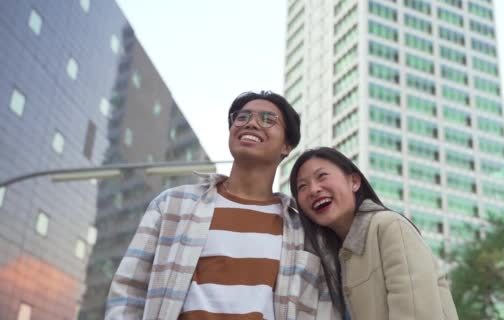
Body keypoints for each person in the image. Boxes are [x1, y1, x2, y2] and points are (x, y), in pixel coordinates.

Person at [106, 92, 340, 319]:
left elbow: (325, 308)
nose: (251, 123)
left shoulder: (305, 231)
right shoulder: (172, 205)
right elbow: (129, 290)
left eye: (268, 119)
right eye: (242, 117)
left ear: (286, 146)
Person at [290, 147, 459, 320]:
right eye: (302, 186)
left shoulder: (390, 227)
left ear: (354, 182)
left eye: (322, 176)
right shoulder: (328, 258)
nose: (313, 190)